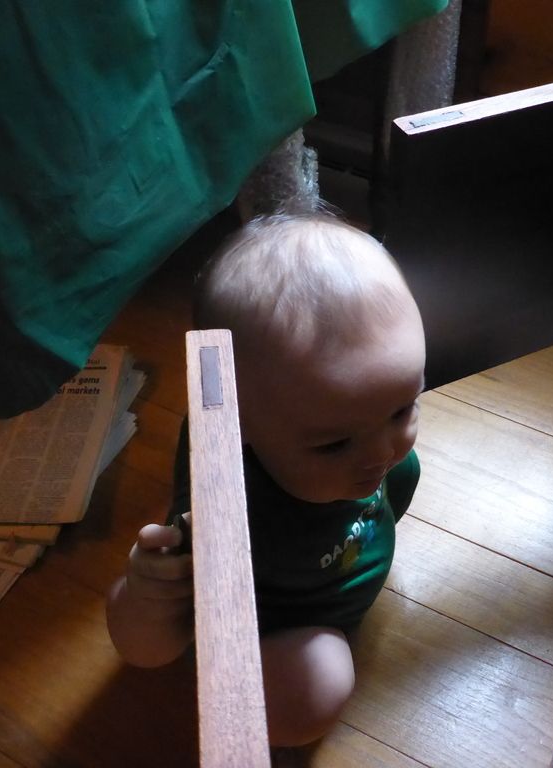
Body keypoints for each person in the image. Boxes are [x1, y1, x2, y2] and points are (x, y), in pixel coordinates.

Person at [105, 211, 427, 746]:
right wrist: (150, 598)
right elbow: (143, 650)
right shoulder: (225, 508)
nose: (382, 453)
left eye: (402, 409)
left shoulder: (357, 443)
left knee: (404, 469)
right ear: (237, 427)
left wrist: (360, 447)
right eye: (334, 444)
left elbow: (379, 448)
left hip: (336, 568)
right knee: (312, 690)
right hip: (278, 627)